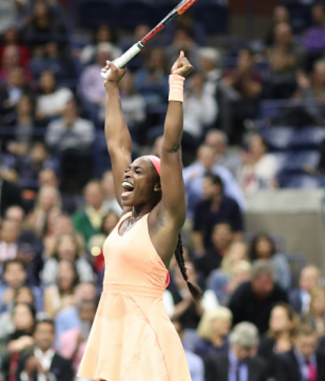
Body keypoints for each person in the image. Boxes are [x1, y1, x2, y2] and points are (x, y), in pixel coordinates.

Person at [78, 53, 198, 381]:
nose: (127, 174)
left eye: (139, 172)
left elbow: (171, 150)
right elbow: (117, 146)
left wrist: (176, 83)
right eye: (129, 171)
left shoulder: (165, 221)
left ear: (160, 187)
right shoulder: (125, 217)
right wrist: (112, 87)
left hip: (144, 335)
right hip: (110, 330)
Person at [228, 260, 288, 334]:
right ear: (254, 280)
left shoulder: (279, 292)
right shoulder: (242, 292)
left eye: (271, 282)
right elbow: (232, 318)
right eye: (264, 282)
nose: (269, 287)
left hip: (271, 336)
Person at [191, 173, 243, 254]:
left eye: (207, 186)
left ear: (217, 187)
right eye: (203, 187)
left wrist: (233, 251)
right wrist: (200, 251)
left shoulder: (231, 204)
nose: (204, 189)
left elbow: (238, 231)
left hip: (229, 249)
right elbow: (196, 232)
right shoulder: (200, 207)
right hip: (208, 250)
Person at [203, 322, 268, 381]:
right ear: (233, 344)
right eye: (241, 348)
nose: (244, 353)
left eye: (248, 349)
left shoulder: (260, 366)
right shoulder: (215, 363)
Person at [57, 298, 97, 373]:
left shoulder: (103, 337)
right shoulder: (66, 336)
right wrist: (77, 347)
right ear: (78, 314)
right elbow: (64, 364)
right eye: (84, 312)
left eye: (90, 312)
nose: (87, 315)